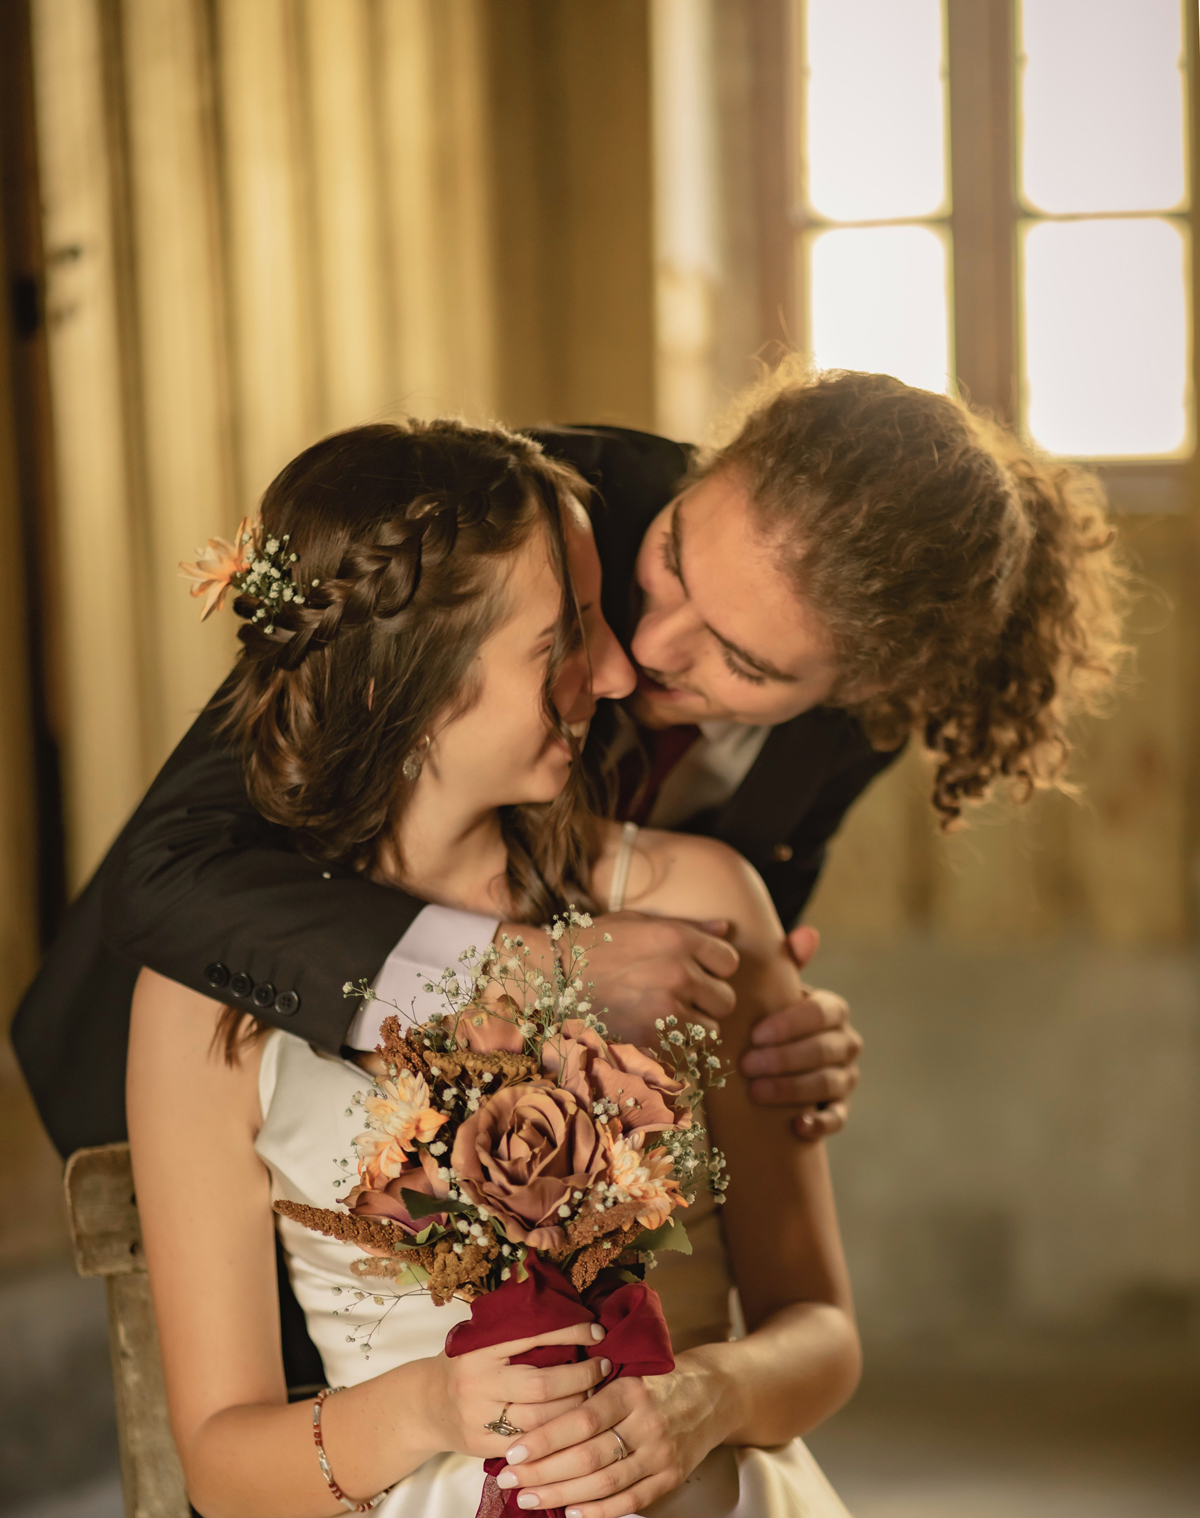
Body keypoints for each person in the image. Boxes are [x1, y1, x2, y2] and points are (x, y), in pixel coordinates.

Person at [127, 417, 1004, 1518]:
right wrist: (427, 1410)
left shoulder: (703, 902)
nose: (626, 669)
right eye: (571, 636)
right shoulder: (210, 992)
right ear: (415, 680)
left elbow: (820, 1331)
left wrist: (706, 1396)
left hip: (711, 1510)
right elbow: (227, 1467)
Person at [10, 365, 1126, 1172]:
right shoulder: (510, 514)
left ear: (865, 693)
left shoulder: (853, 731)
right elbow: (172, 867)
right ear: (712, 465)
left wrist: (771, 1031)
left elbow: (693, 972)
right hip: (209, 1076)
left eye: (737, 660)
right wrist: (516, 972)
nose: (643, 650)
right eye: (673, 558)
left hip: (503, 1154)